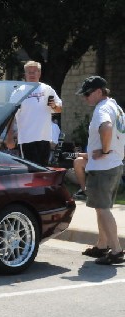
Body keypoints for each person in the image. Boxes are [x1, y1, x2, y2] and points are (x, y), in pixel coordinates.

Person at [77, 75, 124, 265]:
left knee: (102, 209)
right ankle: (102, 245)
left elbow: (106, 127)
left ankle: (116, 250)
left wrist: (104, 150)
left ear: (98, 92)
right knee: (100, 207)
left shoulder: (102, 109)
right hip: (114, 164)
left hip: (103, 167)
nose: (85, 97)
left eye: (87, 94)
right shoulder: (116, 107)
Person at [6, 60, 62, 166]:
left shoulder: (47, 89)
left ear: (39, 73)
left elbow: (59, 109)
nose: (32, 74)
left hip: (44, 138)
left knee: (43, 170)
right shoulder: (19, 92)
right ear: (25, 74)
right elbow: (11, 115)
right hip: (26, 139)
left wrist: (54, 106)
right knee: (30, 172)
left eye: (35, 71)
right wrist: (9, 138)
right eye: (29, 72)